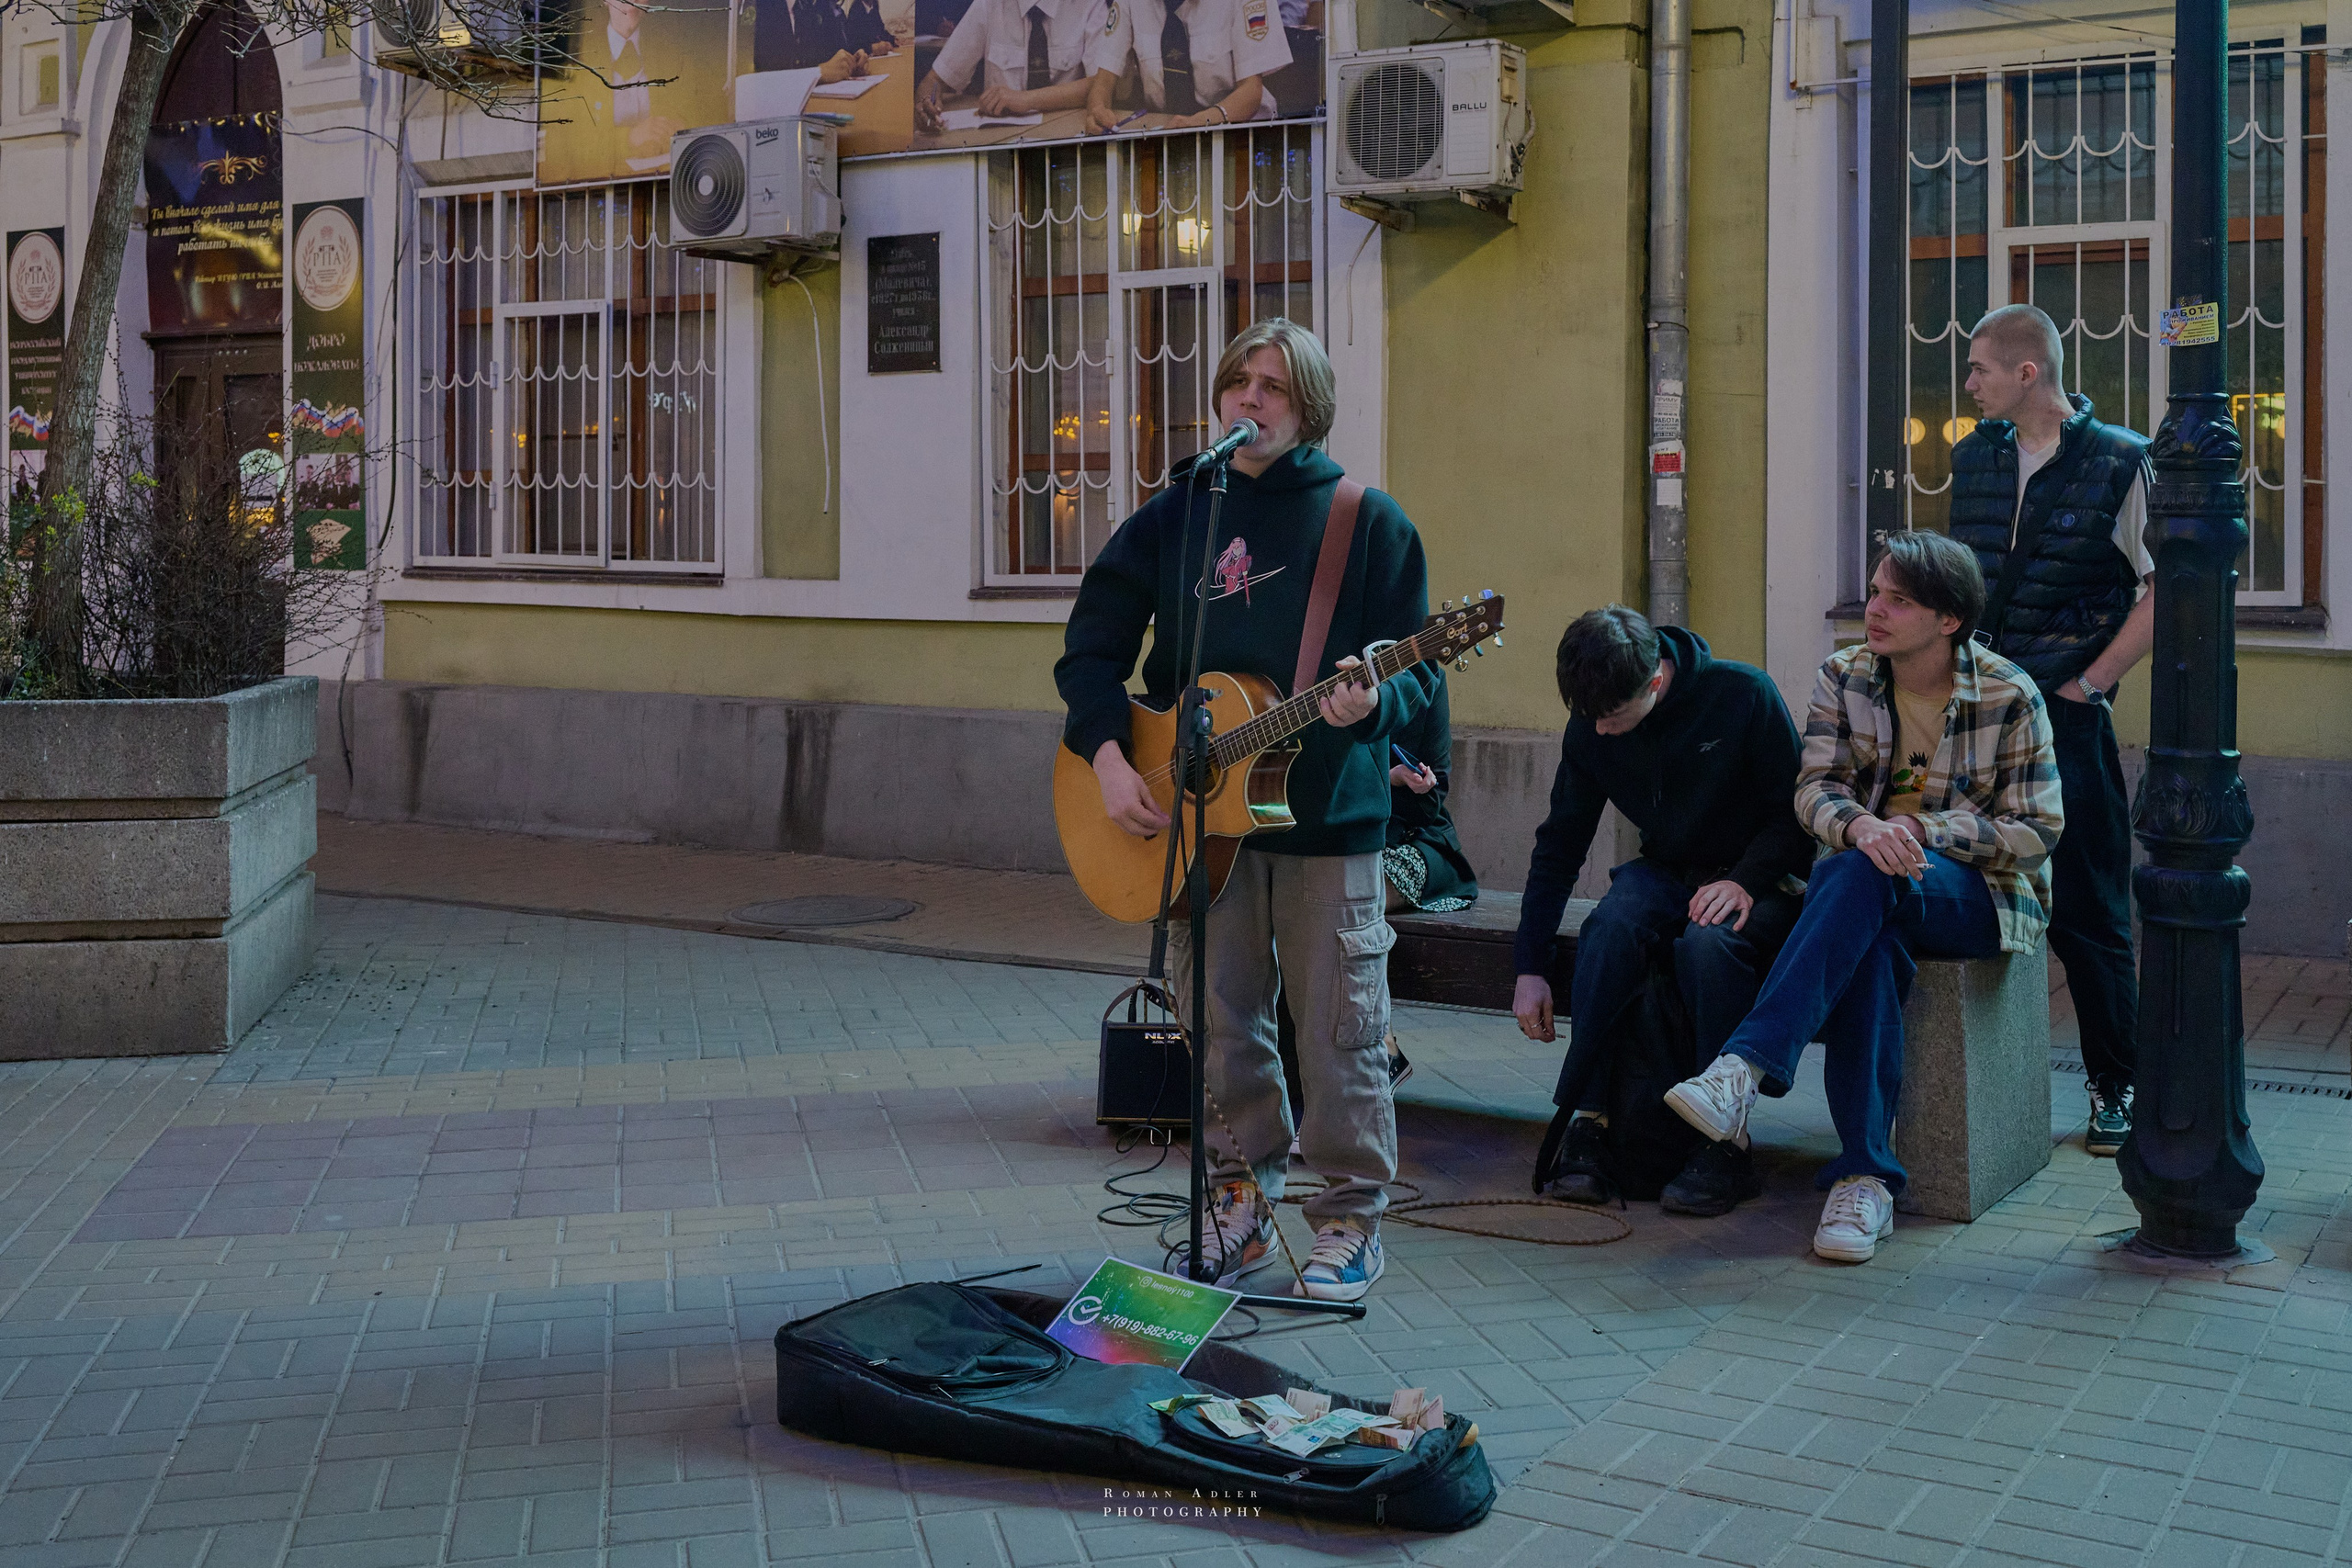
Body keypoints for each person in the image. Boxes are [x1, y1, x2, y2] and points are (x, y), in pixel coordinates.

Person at [1057, 318, 1433, 1303]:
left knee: (1340, 1028)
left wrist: (1373, 701)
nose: (1250, 402)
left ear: (1307, 407)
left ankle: (1349, 1216)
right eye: (1237, 383)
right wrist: (1105, 756)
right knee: (1219, 1023)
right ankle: (1238, 1203)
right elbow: (1090, 643)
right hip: (1196, 828)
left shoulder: (1366, 520)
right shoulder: (1178, 510)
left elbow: (1418, 685)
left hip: (1327, 823)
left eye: (1272, 387)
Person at [1664, 531, 2063, 1264]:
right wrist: (1865, 827)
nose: (1873, 609)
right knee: (1867, 924)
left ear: (1948, 619)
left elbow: (2038, 828)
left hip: (1980, 896)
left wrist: (1918, 829)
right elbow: (1814, 790)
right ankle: (1865, 1180)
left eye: (1897, 600)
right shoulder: (1845, 675)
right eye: (1875, 590)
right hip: (1871, 890)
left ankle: (1743, 1068)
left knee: (1860, 872)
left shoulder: (2010, 693)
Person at [1510, 606, 1815, 1217]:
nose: (1599, 731)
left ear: (1656, 682)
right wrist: (1530, 966)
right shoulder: (1593, 723)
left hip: (1762, 879)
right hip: (1666, 872)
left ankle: (1725, 1140)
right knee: (1609, 926)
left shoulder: (1742, 694)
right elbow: (1559, 846)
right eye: (1587, 717)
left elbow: (1797, 817)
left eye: (1613, 717)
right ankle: (1589, 1123)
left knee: (1706, 946)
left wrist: (1745, 881)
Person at [1949, 303, 2153, 1158]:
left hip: (2065, 719)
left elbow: (2164, 588)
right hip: (1978, 712)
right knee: (1961, 886)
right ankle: (1960, 1086)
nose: (1968, 382)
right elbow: (1962, 577)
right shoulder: (1975, 457)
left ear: (2028, 373)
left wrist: (2092, 683)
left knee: (2091, 909)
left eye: (1980, 368)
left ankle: (2118, 1084)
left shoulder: (2122, 461)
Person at [1081, 0, 1291, 131]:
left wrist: (1201, 122)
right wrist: (1097, 110)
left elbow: (1251, 91)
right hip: (1167, 133)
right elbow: (1104, 81)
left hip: (1242, 131)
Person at [916, 0, 1108, 132]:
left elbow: (1103, 83)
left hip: (1067, 137)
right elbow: (935, 79)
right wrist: (927, 102)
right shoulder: (989, 5)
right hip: (1001, 142)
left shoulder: (1089, 5)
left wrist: (1027, 100)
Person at [1382, 672, 1476, 917]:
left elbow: (1430, 802)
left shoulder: (1428, 676)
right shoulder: (1339, 672)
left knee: (1368, 889)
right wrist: (1389, 777)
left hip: (1407, 836)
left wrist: (1404, 779)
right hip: (1337, 831)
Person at [752, 0, 870, 81]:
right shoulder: (755, 6)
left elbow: (818, 58)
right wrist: (816, 74)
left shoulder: (805, 8)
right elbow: (758, 78)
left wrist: (849, 63)